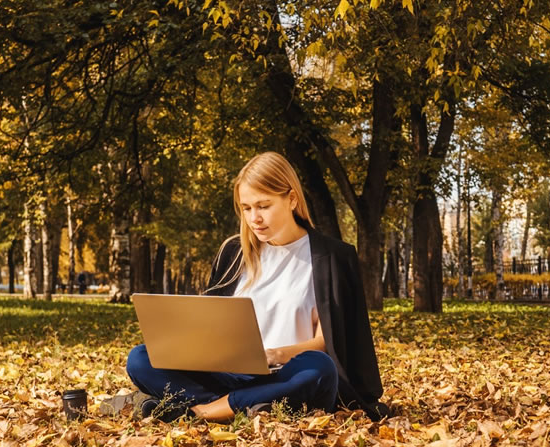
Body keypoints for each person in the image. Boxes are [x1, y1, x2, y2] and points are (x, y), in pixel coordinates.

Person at [126, 152, 387, 422]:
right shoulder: (233, 253)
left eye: (263, 206)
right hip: (229, 374)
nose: (254, 218)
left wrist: (272, 355)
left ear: (292, 199)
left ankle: (200, 411)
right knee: (140, 358)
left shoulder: (331, 257)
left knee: (319, 369)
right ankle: (244, 406)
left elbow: (325, 342)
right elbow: (212, 326)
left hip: (287, 374)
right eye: (247, 208)